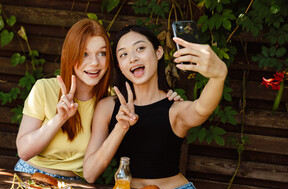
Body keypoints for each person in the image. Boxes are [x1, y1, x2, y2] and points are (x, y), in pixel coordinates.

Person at [14, 20, 181, 180]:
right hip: (31, 174)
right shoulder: (45, 88)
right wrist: (60, 118)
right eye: (84, 54)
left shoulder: (110, 101)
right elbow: (24, 151)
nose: (94, 63)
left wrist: (167, 100)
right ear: (70, 57)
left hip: (76, 186)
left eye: (102, 53)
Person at [83, 25, 227, 189]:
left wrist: (218, 76)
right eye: (123, 54)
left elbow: (202, 108)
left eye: (140, 48)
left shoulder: (174, 109)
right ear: (119, 66)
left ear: (158, 53)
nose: (133, 58)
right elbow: (90, 174)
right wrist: (121, 127)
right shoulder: (107, 107)